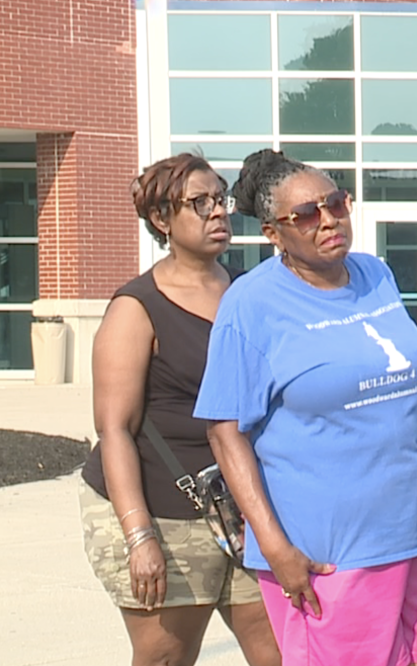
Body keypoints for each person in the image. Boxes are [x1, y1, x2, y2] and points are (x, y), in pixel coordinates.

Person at [193, 149, 417, 666]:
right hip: (327, 556)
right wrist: (275, 549)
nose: (329, 220)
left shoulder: (376, 274)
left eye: (335, 203)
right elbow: (225, 432)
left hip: (414, 534)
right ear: (273, 233)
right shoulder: (251, 303)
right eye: (306, 215)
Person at [79, 153, 280, 666]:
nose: (218, 211)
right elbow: (115, 430)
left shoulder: (248, 291)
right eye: (200, 202)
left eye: (220, 198)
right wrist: (139, 536)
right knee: (166, 656)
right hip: (163, 512)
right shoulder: (136, 307)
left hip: (244, 510)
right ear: (161, 219)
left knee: (280, 651)